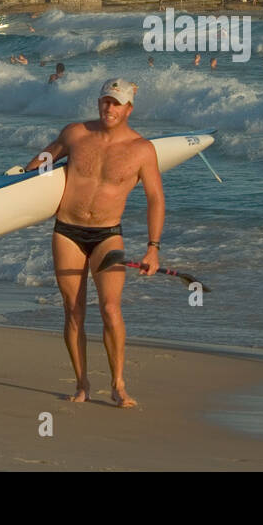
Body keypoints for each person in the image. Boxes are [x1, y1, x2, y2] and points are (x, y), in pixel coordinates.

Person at [25, 79, 162, 408]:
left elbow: (156, 199)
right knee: (73, 311)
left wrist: (153, 247)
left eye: (116, 103)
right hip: (67, 230)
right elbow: (40, 164)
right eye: (105, 101)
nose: (109, 108)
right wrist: (11, 188)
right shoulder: (75, 134)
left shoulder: (142, 149)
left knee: (111, 309)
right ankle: (82, 382)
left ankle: (117, 383)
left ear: (129, 108)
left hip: (106, 233)